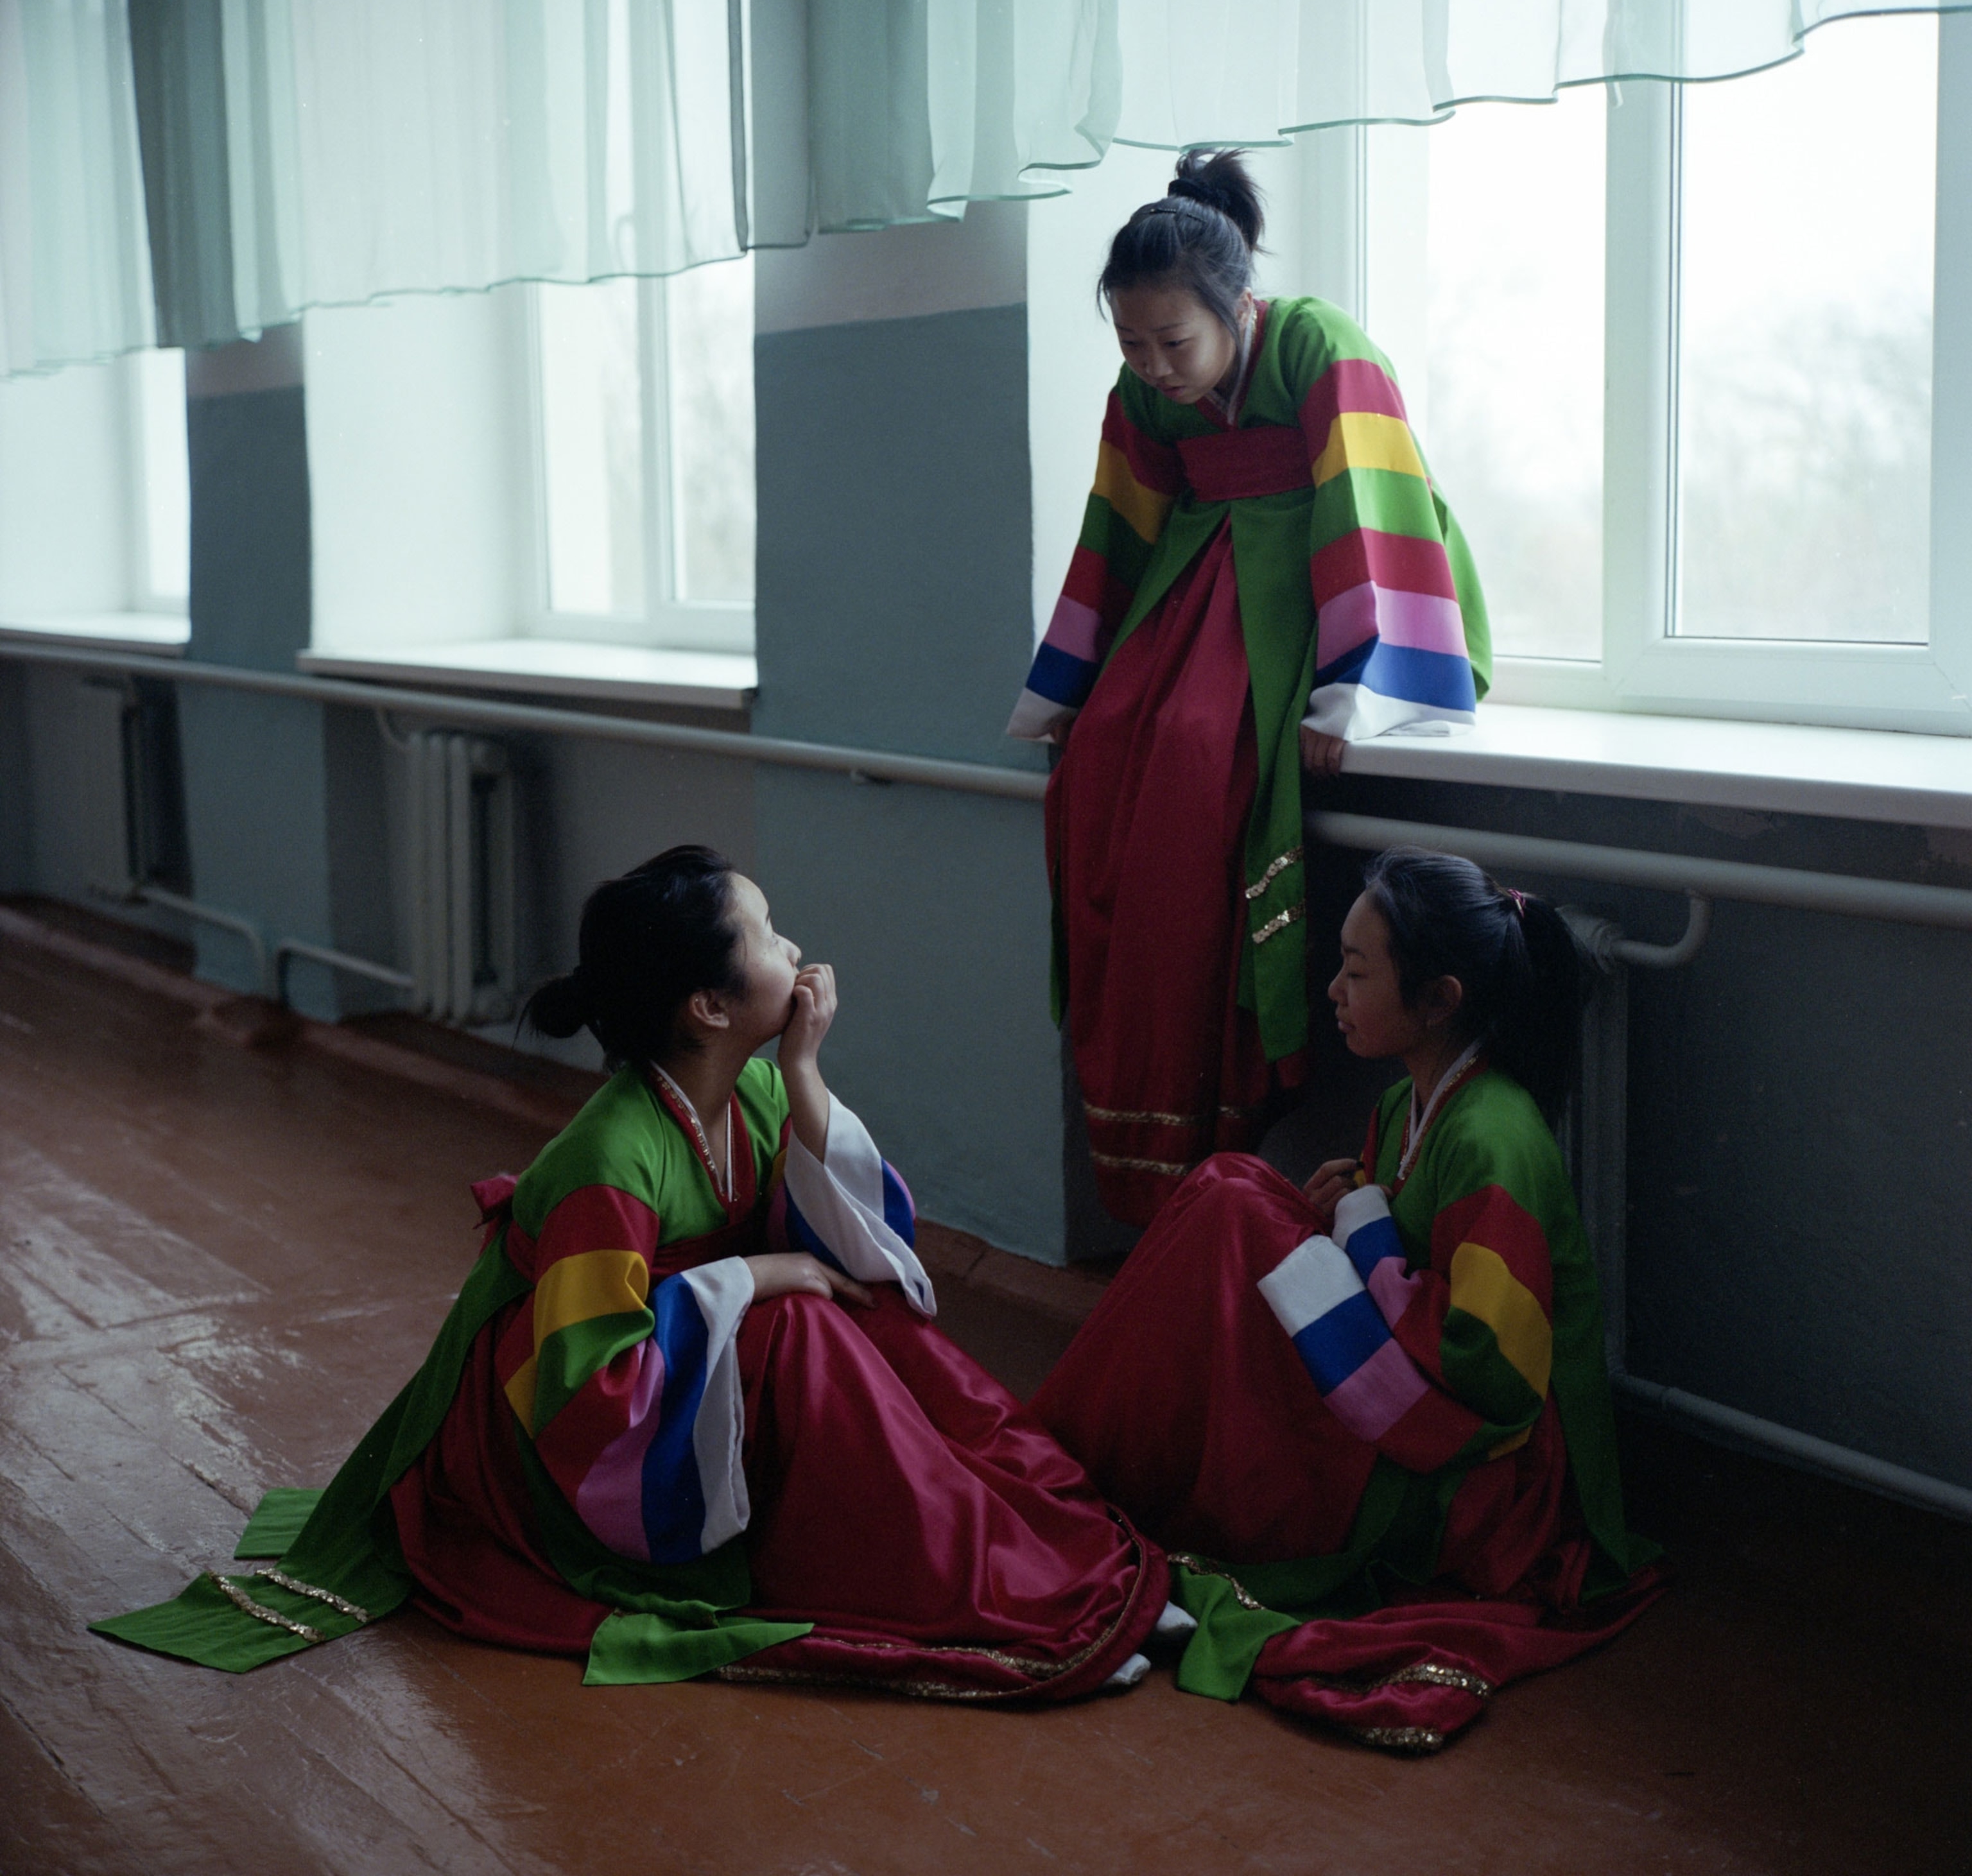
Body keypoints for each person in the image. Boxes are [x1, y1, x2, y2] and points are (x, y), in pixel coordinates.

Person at [94, 846, 1170, 1700]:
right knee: (800, 1327)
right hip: (555, 1434)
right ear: (708, 1006)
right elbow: (586, 1387)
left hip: (681, 1368)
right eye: (767, 932)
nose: (796, 946)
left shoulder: (750, 1090)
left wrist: (802, 1078)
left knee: (873, 1315)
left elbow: (866, 1240)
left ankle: (1051, 1544)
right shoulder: (612, 1160)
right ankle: (987, 1589)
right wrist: (754, 1280)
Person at [1029, 848, 1663, 1751]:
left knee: (1231, 1209)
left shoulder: (1495, 1142)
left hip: (1485, 1480)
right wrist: (1353, 1214)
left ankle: (1063, 1461)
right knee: (1233, 1192)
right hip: (1418, 1392)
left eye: (1357, 972)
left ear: (1439, 999)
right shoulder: (1412, 1105)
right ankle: (1077, 1455)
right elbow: (1390, 1243)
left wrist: (1362, 1230)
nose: (1332, 989)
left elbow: (1495, 1373)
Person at [1009, 150, 1493, 1225]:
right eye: (1132, 344)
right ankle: (1147, 1104)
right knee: (1101, 766)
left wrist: (1350, 693)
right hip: (1194, 586)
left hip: (1310, 582)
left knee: (1191, 757)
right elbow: (1117, 529)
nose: (1154, 365)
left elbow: (1373, 501)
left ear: (1237, 305)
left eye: (1173, 340)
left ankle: (1221, 1095)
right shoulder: (1146, 393)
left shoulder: (1319, 344)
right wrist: (1068, 692)